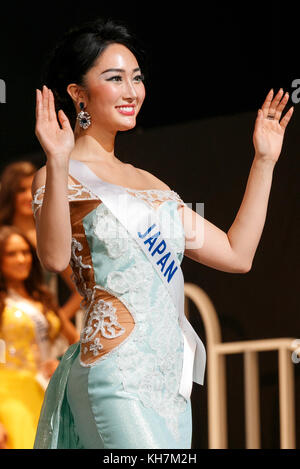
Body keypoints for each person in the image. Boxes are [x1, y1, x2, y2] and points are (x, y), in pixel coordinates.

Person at [32, 18, 293, 449]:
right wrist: (58, 161)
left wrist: (264, 161)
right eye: (114, 78)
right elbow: (55, 259)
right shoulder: (57, 174)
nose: (131, 91)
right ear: (77, 92)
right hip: (114, 373)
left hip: (169, 384)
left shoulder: (150, 183)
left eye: (136, 78)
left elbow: (237, 253)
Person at [0, 225, 79, 449]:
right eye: (11, 253)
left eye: (25, 252)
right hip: (8, 396)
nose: (21, 259)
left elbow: (75, 340)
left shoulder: (41, 298)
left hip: (44, 391)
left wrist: (61, 364)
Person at [0, 161, 84, 336]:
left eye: (33, 190)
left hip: (42, 329)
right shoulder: (2, 235)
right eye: (21, 190)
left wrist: (55, 321)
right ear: (10, 194)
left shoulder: (49, 234)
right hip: (6, 325)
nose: (29, 196)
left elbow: (80, 288)